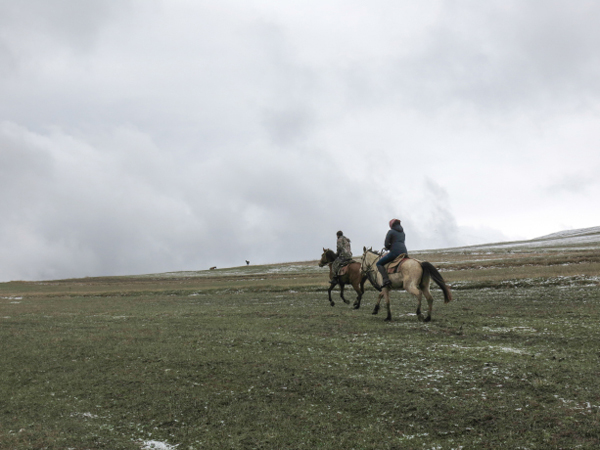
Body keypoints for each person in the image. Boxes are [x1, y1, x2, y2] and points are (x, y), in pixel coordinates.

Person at [376, 219, 408, 287]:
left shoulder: (391, 232)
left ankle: (386, 279)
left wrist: (388, 247)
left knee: (379, 263)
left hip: (395, 252)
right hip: (404, 252)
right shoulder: (403, 233)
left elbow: (386, 244)